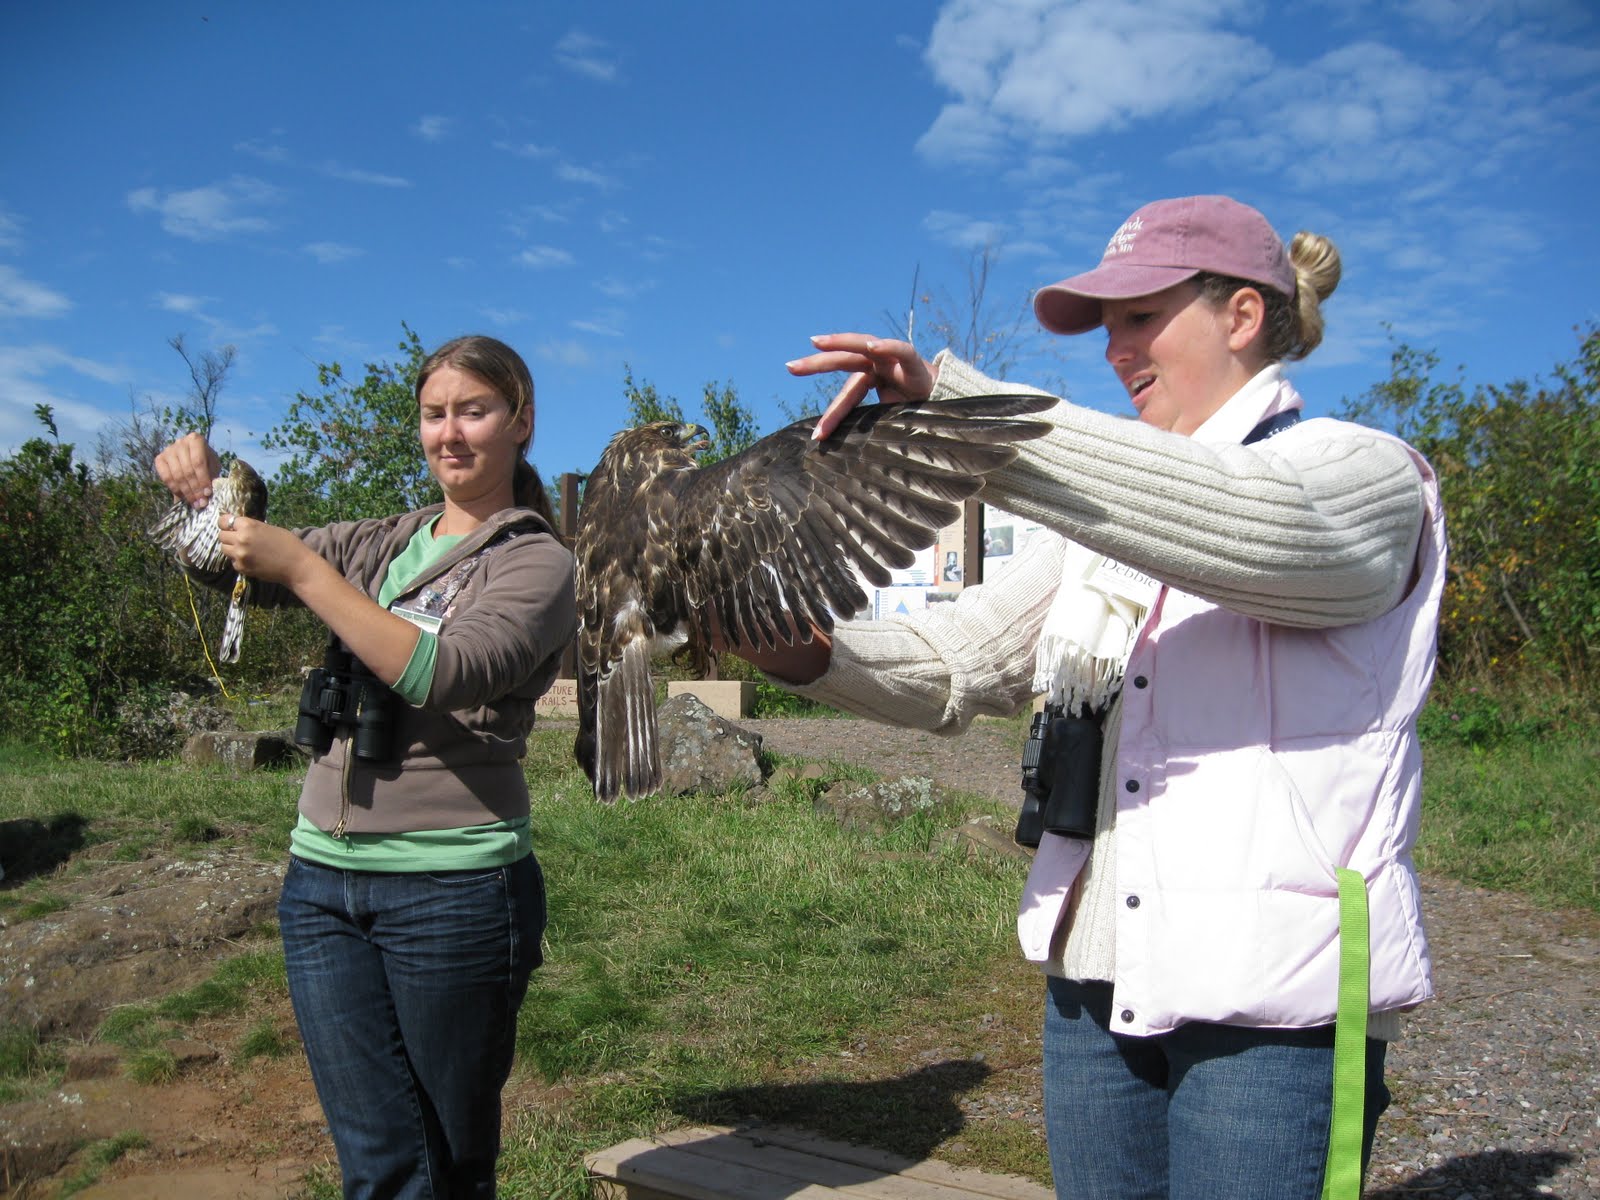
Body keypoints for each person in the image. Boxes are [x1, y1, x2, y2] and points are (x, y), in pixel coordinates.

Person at [736, 196, 1446, 1199]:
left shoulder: (1361, 474)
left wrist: (960, 414)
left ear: (1241, 317)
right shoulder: (1100, 517)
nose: (1115, 350)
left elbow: (1251, 525)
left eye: (1139, 317)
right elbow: (952, 662)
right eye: (1106, 325)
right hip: (1093, 987)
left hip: (1279, 1012)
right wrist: (792, 649)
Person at [154, 335, 576, 1199]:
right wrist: (204, 494)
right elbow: (231, 562)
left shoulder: (536, 561)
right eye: (433, 414)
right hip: (320, 887)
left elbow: (442, 670)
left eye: (473, 410)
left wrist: (304, 566)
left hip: (453, 892)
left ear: (521, 423)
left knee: (449, 1165)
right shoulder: (384, 542)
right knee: (379, 1167)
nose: (449, 433)